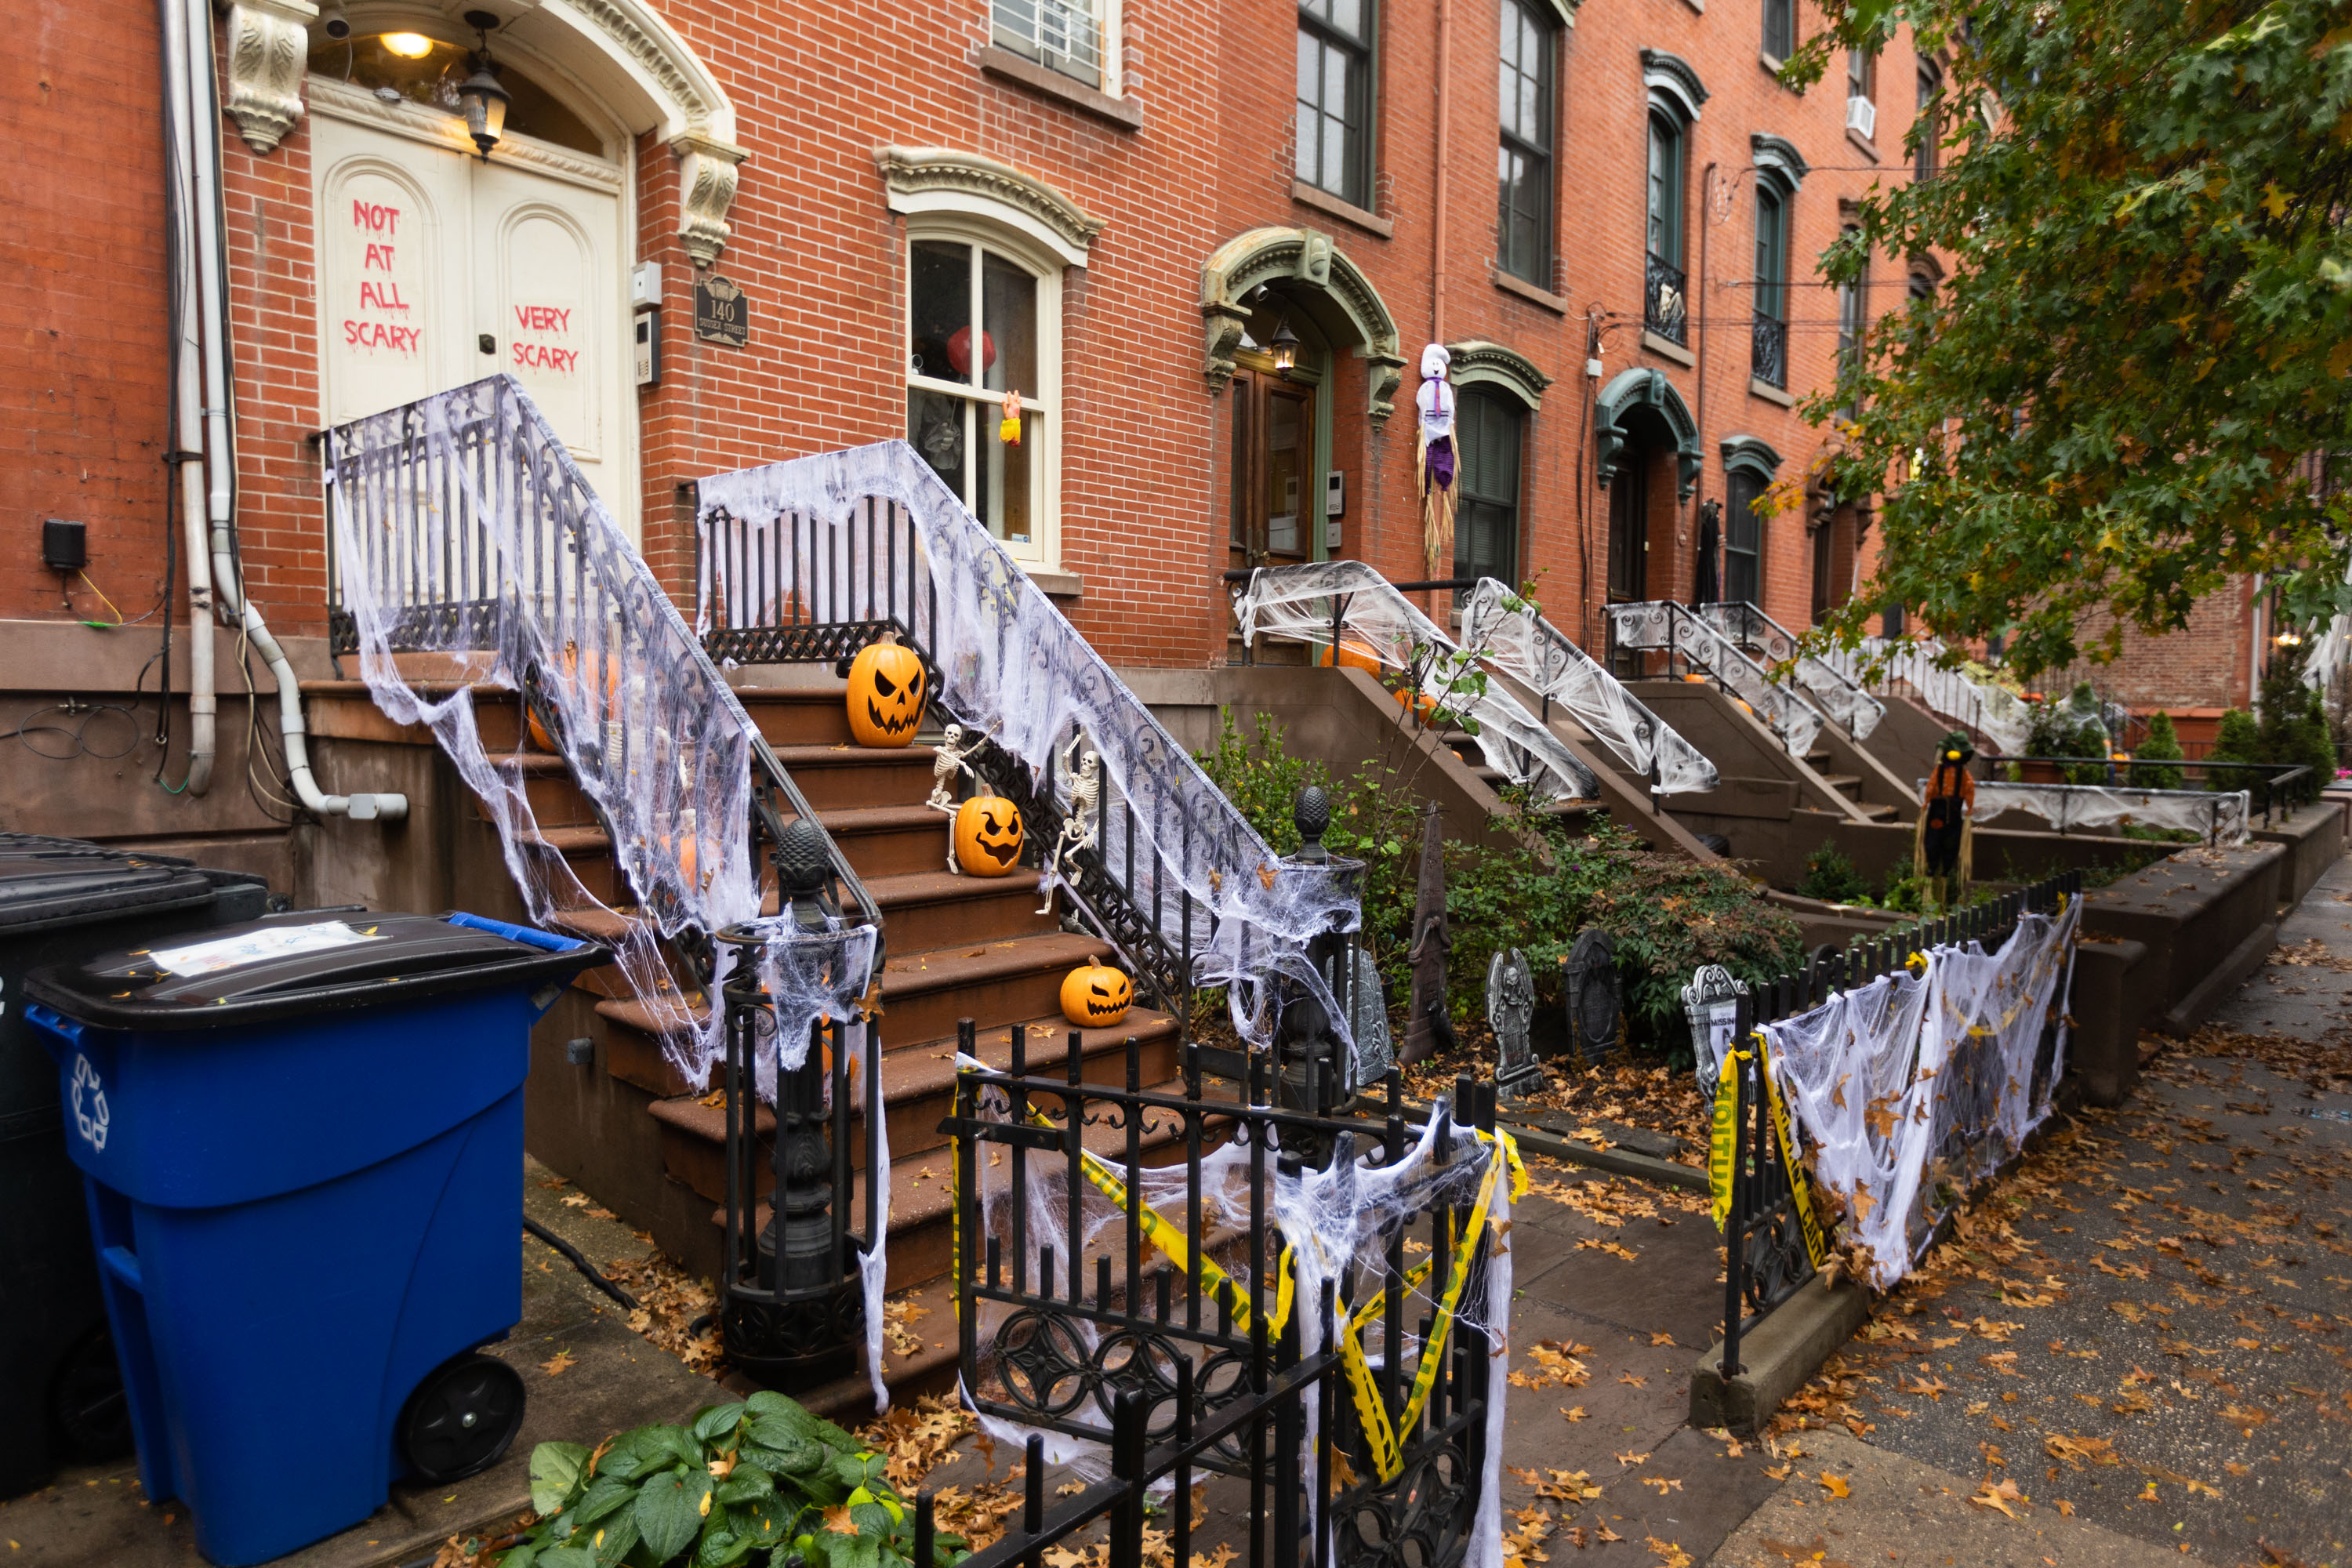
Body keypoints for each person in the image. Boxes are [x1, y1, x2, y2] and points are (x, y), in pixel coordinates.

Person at [1916, 730, 1976, 909]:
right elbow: (1931, 787)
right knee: (1933, 840)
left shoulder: (1964, 775)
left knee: (1951, 842)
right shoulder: (1939, 771)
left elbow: (1969, 789)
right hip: (1937, 811)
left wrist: (1969, 808)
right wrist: (1927, 803)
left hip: (1955, 811)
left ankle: (1945, 876)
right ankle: (1931, 871)